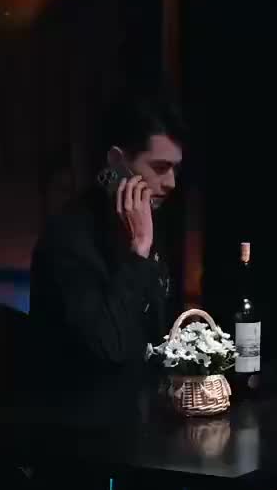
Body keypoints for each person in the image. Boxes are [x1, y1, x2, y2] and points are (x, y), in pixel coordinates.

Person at [29, 88, 184, 380]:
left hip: (142, 401)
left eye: (175, 169)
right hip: (78, 403)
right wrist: (139, 250)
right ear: (117, 162)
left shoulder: (150, 222)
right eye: (160, 168)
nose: (171, 182)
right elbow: (109, 348)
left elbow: (157, 340)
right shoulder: (67, 237)